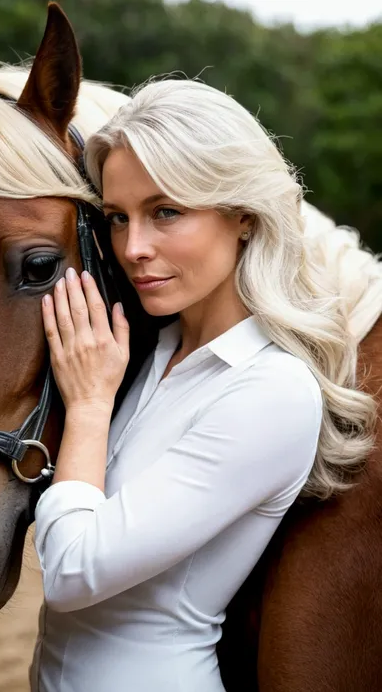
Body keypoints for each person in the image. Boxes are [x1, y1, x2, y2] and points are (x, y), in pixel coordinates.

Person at [29, 79, 376, 692]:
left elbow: (73, 571)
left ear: (242, 215)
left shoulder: (272, 391)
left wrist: (87, 404)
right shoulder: (150, 351)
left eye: (166, 211)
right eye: (117, 218)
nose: (133, 248)